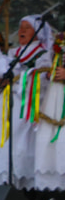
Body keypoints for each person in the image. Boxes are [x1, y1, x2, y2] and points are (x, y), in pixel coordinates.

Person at [0, 15, 51, 188]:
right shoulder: (11, 53)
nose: (22, 30)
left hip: (24, 105)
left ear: (38, 33)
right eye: (21, 26)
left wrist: (14, 81)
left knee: (16, 143)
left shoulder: (43, 54)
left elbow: (41, 80)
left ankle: (17, 188)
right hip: (2, 103)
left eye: (27, 27)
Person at [34, 32, 65, 191]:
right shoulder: (58, 40)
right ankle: (52, 190)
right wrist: (48, 73)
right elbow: (43, 66)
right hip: (55, 95)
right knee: (51, 138)